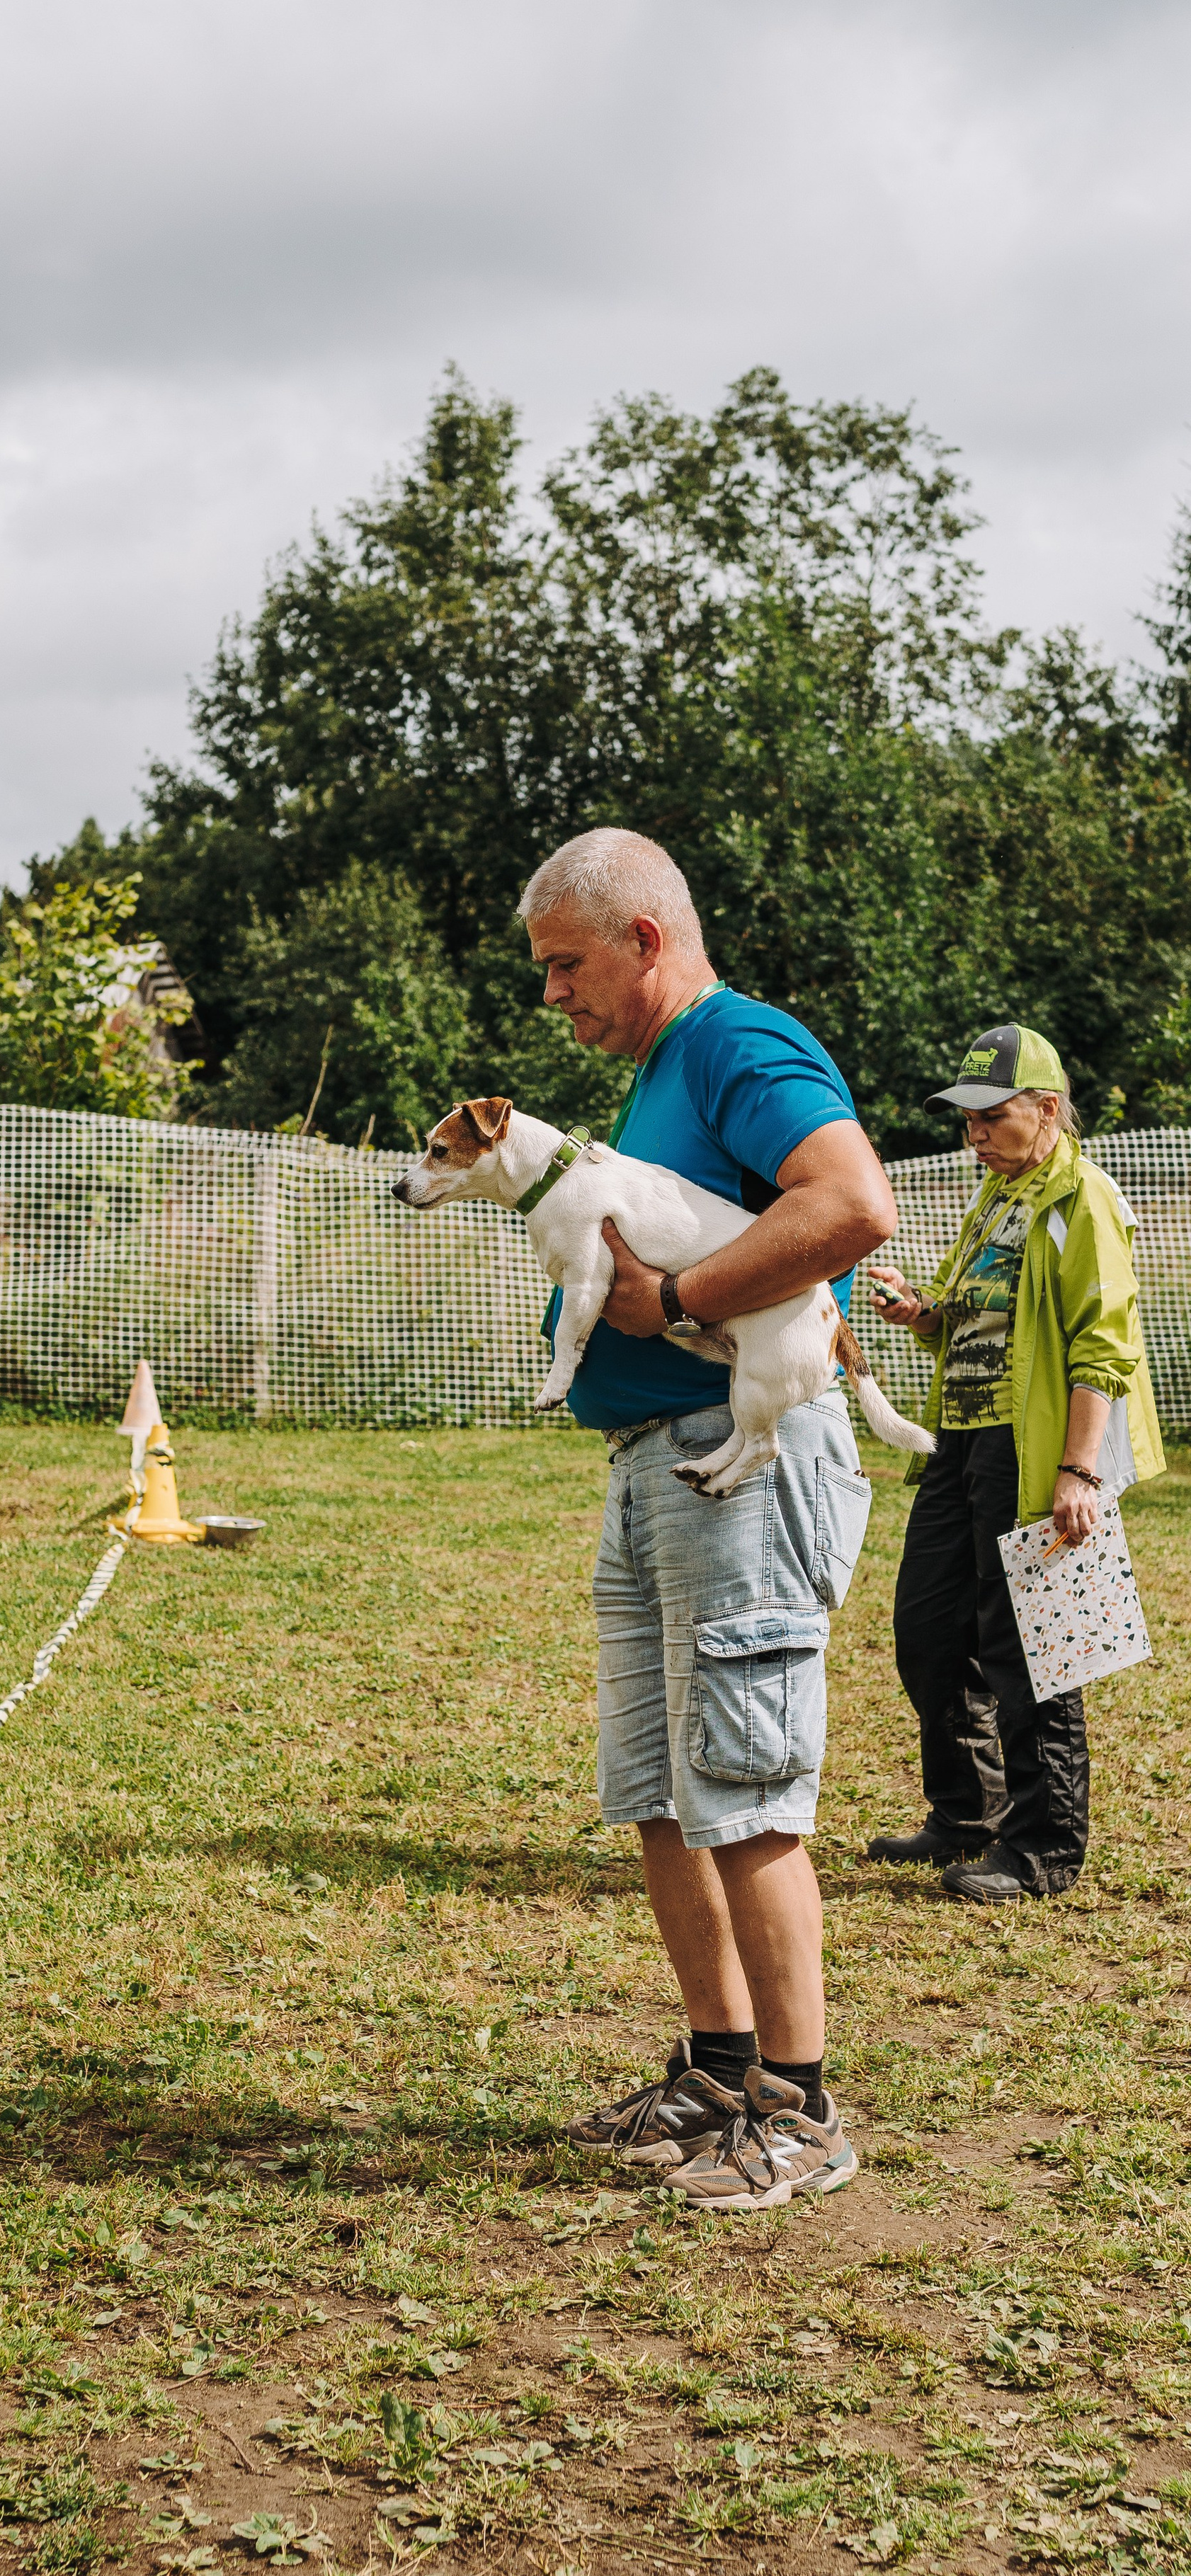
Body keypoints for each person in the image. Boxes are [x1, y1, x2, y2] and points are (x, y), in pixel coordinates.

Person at [522, 826, 896, 2209]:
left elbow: (851, 1202)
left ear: (642, 940)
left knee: (740, 1790)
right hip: (653, 1465)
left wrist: (675, 1305)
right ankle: (718, 2070)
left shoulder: (736, 1043)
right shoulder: (659, 1081)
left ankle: (797, 2110)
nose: (551, 996)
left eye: (564, 966)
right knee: (663, 1795)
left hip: (739, 1459)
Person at [864, 1025, 1163, 1903]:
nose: (976, 1136)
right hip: (959, 1438)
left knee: (1035, 1648)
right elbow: (972, 1315)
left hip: (1034, 1448)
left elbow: (1101, 1345)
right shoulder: (996, 1195)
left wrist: (1080, 1471)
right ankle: (966, 1816)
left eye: (992, 1118)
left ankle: (1042, 1850)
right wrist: (922, 1313)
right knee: (927, 1632)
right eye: (966, 1122)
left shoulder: (1082, 1199)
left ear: (1046, 1108)